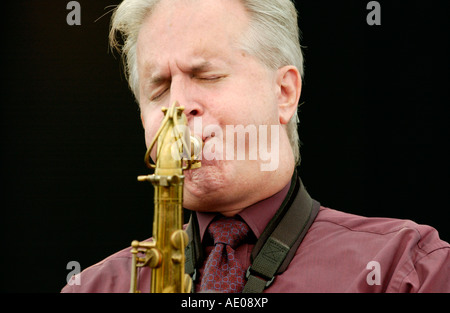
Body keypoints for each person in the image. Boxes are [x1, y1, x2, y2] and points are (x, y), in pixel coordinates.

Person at [62, 0, 449, 293]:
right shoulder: (93, 287)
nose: (176, 107)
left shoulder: (407, 268)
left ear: (284, 93)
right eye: (159, 88)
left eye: (207, 75)